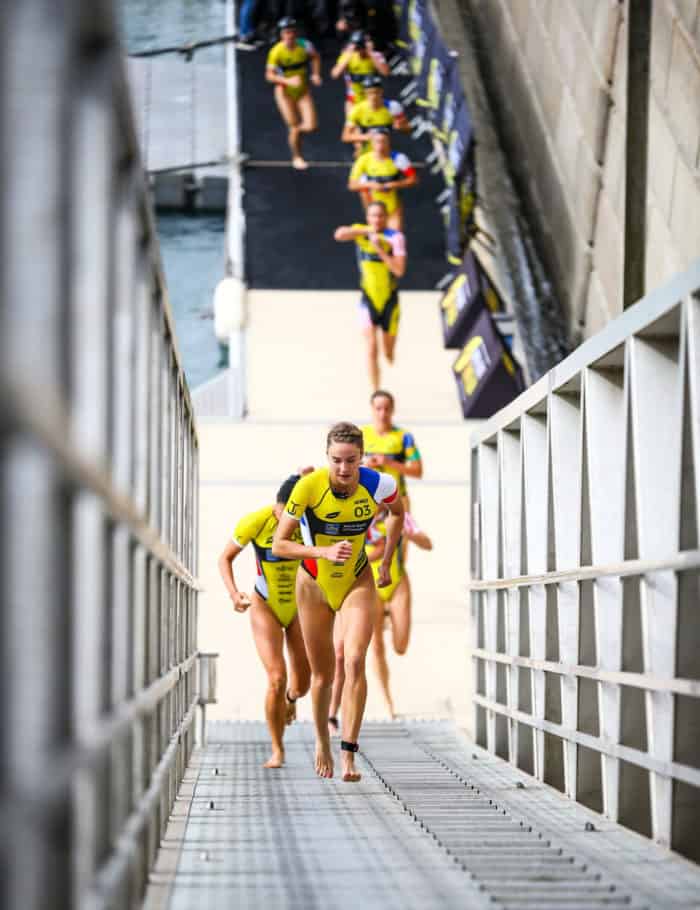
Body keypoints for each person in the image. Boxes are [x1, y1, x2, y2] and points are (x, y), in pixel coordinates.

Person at [272, 422, 404, 782]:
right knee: (322, 675)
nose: (344, 470)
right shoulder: (308, 487)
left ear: (362, 457)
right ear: (326, 457)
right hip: (313, 581)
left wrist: (387, 561)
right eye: (336, 461)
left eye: (351, 461)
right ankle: (321, 743)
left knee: (356, 659)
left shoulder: (379, 484)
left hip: (358, 579)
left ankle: (348, 753)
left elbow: (398, 514)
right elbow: (279, 545)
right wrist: (323, 550)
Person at [217, 475, 311, 769]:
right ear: (276, 508)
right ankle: (277, 748)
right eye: (286, 515)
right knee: (275, 676)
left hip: (300, 608)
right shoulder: (256, 521)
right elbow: (225, 558)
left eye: (297, 515)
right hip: (265, 605)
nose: (291, 522)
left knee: (303, 684)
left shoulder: (309, 523)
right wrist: (234, 594)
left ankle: (291, 698)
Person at [334, 200, 407, 390]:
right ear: (368, 217)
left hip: (389, 300)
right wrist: (366, 232)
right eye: (373, 215)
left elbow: (399, 270)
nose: (377, 219)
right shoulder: (362, 231)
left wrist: (380, 250)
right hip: (368, 298)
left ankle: (390, 355)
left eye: (380, 216)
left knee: (388, 351)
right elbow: (339, 234)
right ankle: (375, 391)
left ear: (386, 218)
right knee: (371, 347)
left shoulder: (395, 237)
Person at [266, 17, 322, 170]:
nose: (289, 36)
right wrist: (288, 81)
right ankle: (297, 156)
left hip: (302, 90)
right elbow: (269, 75)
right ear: (281, 35)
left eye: (291, 32)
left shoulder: (305, 46)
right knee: (294, 125)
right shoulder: (276, 52)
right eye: (286, 33)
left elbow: (315, 57)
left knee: (311, 126)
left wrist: (315, 74)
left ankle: (295, 134)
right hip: (284, 93)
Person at [362, 388, 422, 509]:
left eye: (387, 409)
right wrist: (366, 465)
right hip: (368, 500)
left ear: (393, 410)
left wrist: (389, 463)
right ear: (372, 409)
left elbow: (418, 471)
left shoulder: (405, 436)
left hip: (397, 501)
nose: (382, 414)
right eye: (378, 409)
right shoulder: (361, 434)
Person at [348, 127, 417, 229]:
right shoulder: (363, 160)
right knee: (376, 239)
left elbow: (413, 179)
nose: (380, 144)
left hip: (392, 207)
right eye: (377, 141)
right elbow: (352, 185)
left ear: (388, 142)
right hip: (373, 209)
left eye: (383, 141)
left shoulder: (399, 158)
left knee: (396, 238)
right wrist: (371, 185)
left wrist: (395, 184)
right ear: (372, 143)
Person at [342, 75, 408, 156]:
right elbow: (345, 136)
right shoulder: (357, 110)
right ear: (365, 93)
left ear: (381, 91)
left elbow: (407, 130)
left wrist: (401, 127)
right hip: (365, 155)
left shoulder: (393, 106)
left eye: (376, 92)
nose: (373, 96)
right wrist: (366, 137)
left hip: (387, 154)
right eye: (370, 93)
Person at [331, 31, 389, 115]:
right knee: (352, 125)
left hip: (373, 99)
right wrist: (348, 55)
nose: (360, 50)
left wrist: (370, 53)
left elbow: (385, 72)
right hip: (354, 98)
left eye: (361, 47)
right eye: (358, 47)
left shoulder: (376, 56)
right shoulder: (348, 56)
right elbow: (335, 74)